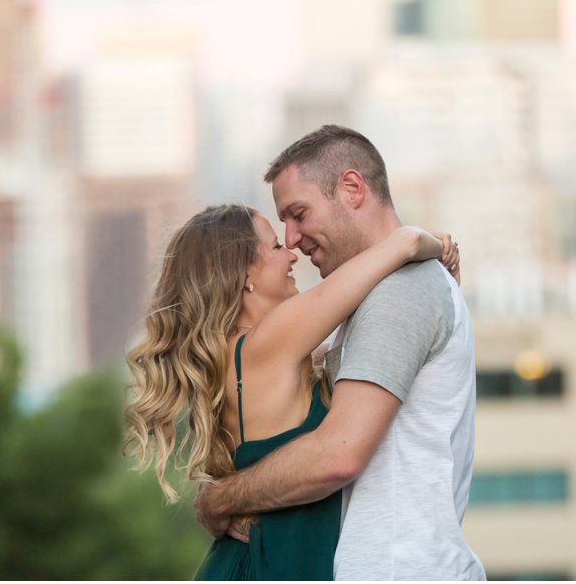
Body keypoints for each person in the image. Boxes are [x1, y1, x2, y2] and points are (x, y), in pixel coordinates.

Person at [193, 125, 486, 580]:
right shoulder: (375, 297)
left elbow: (339, 454)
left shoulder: (399, 292)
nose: (291, 240)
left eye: (299, 213)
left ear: (351, 188)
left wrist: (222, 498)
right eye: (281, 228)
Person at [125, 201, 459, 580]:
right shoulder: (271, 340)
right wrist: (438, 243)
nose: (292, 255)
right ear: (244, 273)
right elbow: (407, 241)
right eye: (275, 247)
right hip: (280, 563)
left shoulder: (240, 352)